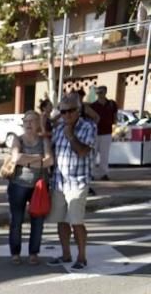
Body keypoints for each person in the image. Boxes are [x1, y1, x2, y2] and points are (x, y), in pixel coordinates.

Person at [47, 93, 96, 270]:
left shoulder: (88, 127)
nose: (67, 114)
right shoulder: (59, 127)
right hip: (59, 181)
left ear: (78, 110)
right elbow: (50, 149)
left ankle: (81, 257)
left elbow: (83, 152)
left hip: (78, 181)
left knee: (76, 221)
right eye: (63, 111)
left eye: (71, 111)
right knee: (61, 220)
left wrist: (70, 136)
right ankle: (66, 254)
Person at [6, 111, 53, 265]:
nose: (29, 124)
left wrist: (25, 161)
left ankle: (33, 253)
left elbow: (50, 161)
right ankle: (15, 253)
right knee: (16, 220)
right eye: (26, 121)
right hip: (18, 184)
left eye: (32, 121)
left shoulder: (44, 141)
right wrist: (37, 159)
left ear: (38, 123)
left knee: (38, 221)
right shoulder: (17, 139)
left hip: (38, 186)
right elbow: (16, 158)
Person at [89, 85, 117, 181]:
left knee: (105, 155)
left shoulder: (112, 104)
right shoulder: (93, 105)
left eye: (100, 92)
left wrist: (114, 124)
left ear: (105, 92)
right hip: (95, 133)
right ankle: (90, 173)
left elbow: (115, 116)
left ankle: (103, 173)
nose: (98, 94)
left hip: (107, 132)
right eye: (97, 93)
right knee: (93, 154)